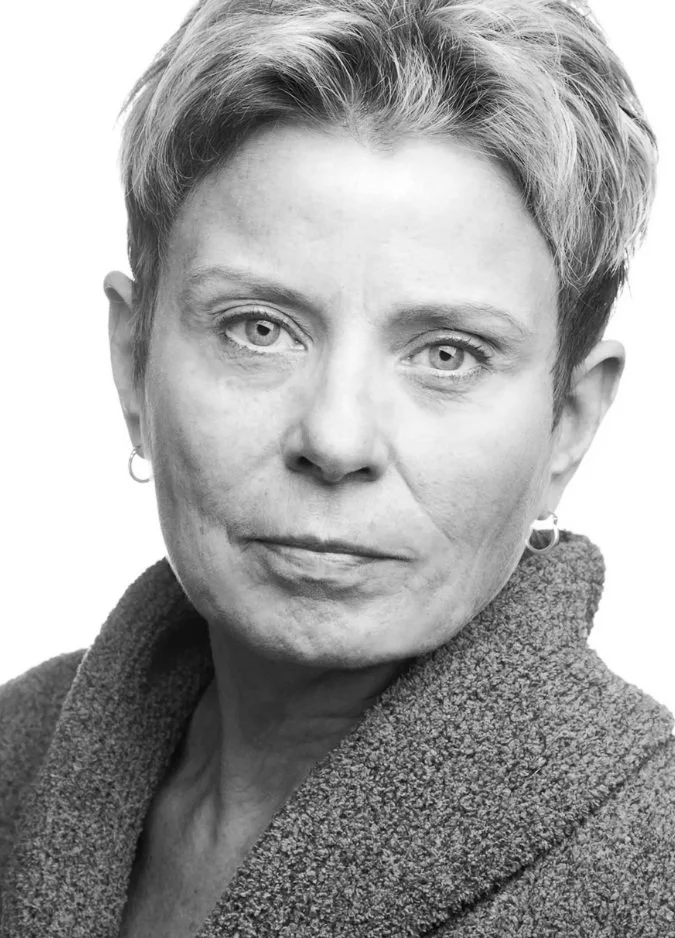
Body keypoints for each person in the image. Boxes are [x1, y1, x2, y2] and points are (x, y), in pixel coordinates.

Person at [1, 0, 673, 934]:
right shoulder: (14, 754)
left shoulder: (655, 866)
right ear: (133, 364)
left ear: (569, 420)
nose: (336, 438)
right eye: (259, 329)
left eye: (448, 353)